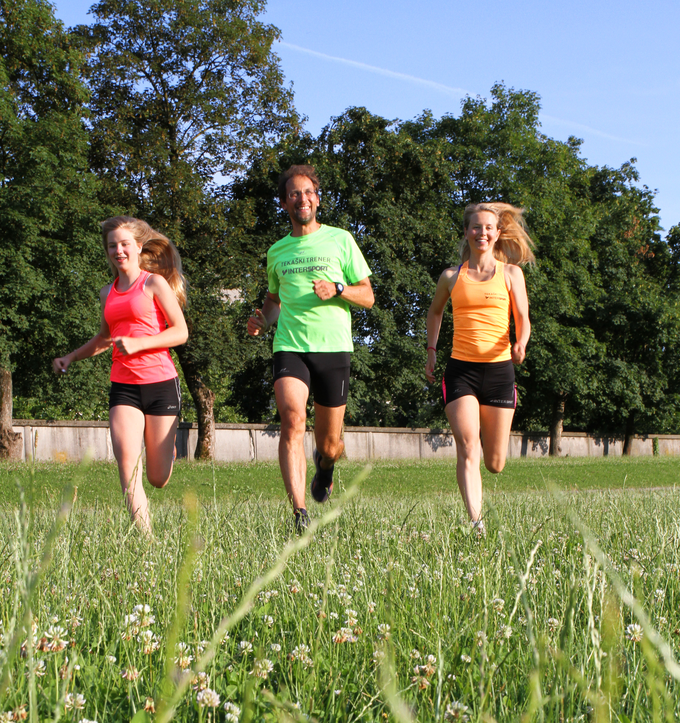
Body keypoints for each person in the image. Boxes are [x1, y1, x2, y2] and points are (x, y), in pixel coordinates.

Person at [247, 165, 374, 532]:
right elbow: (273, 303)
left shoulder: (340, 240)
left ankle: (326, 466)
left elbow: (367, 296)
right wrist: (261, 320)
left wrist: (338, 288)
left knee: (330, 443)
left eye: (308, 192)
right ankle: (299, 512)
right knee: (292, 419)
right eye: (294, 194)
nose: (302, 199)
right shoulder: (277, 251)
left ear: (317, 198)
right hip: (290, 345)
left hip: (333, 349)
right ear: (284, 202)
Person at [53, 217, 188, 532]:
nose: (118, 250)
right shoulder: (107, 293)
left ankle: (166, 451)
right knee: (127, 467)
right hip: (124, 387)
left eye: (125, 244)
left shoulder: (153, 284)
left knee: (157, 477)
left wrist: (140, 343)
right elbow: (104, 339)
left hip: (161, 384)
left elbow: (180, 332)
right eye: (112, 245)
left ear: (139, 247)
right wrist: (70, 357)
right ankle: (146, 543)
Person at [425, 203, 534, 534]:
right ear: (466, 232)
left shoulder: (512, 274)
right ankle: (476, 522)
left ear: (497, 233)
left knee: (495, 463)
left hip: (500, 373)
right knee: (468, 446)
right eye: (475, 227)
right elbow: (435, 313)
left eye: (488, 227)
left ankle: (482, 499)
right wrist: (431, 351)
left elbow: (523, 319)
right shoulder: (451, 277)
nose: (481, 233)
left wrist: (521, 343)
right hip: (461, 372)